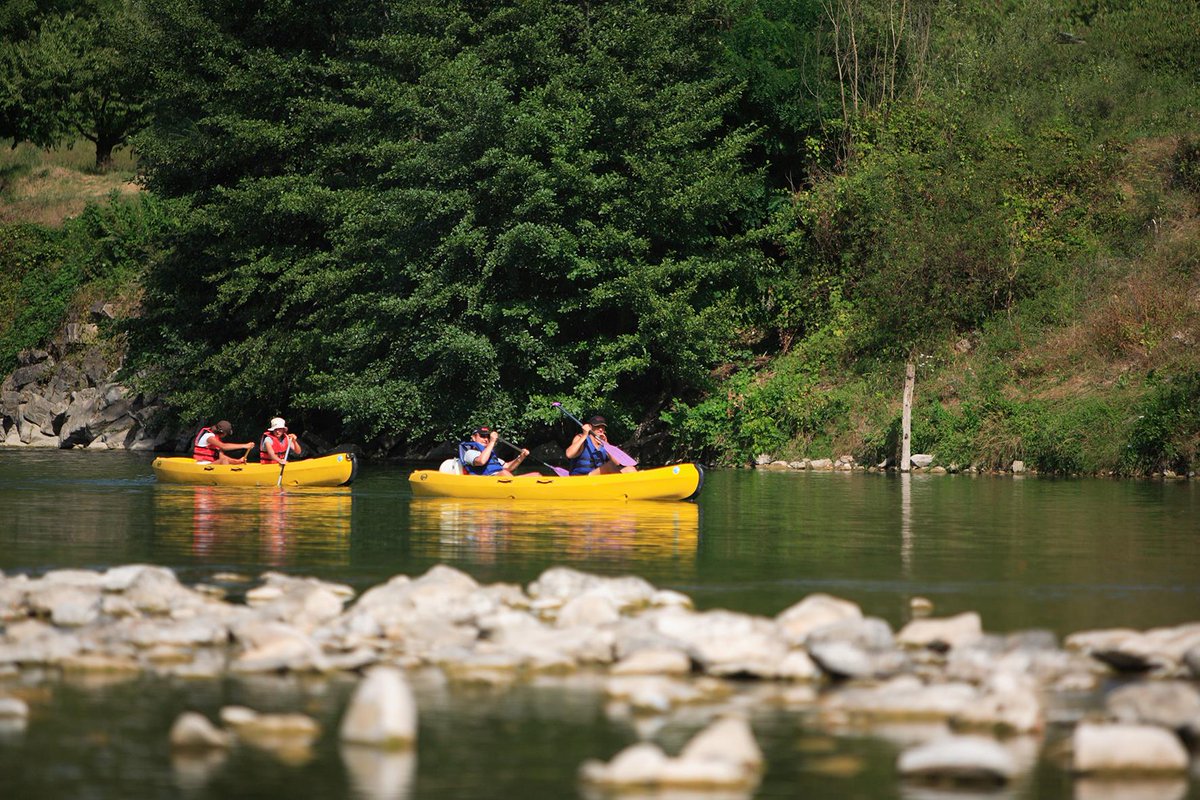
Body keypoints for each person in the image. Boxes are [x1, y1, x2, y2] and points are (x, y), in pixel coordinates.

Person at [565, 415, 636, 475]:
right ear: (590, 427)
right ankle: (621, 487)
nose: (601, 429)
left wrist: (607, 445)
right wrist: (584, 435)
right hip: (583, 478)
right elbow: (569, 454)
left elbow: (617, 463)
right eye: (597, 426)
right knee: (610, 466)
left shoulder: (604, 443)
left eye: (603, 427)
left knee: (630, 469)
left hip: (598, 478)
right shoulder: (581, 438)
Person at [458, 426, 529, 477]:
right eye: (482, 436)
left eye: (488, 437)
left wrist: (521, 457)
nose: (486, 439)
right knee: (504, 473)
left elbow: (508, 467)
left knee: (535, 475)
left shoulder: (491, 455)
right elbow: (481, 461)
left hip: (501, 479)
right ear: (474, 437)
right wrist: (492, 442)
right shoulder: (470, 453)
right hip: (485, 481)